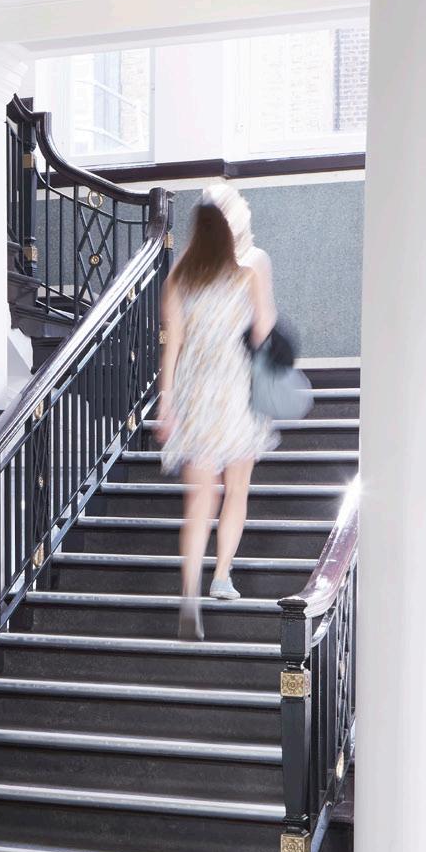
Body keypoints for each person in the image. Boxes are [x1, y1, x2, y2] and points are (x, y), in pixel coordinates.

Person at [154, 185, 276, 640]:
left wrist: (166, 402)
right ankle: (221, 574)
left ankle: (189, 591)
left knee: (199, 501)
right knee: (236, 488)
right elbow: (263, 330)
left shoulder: (179, 277)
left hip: (194, 398)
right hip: (237, 393)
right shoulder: (248, 271)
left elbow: (172, 347)